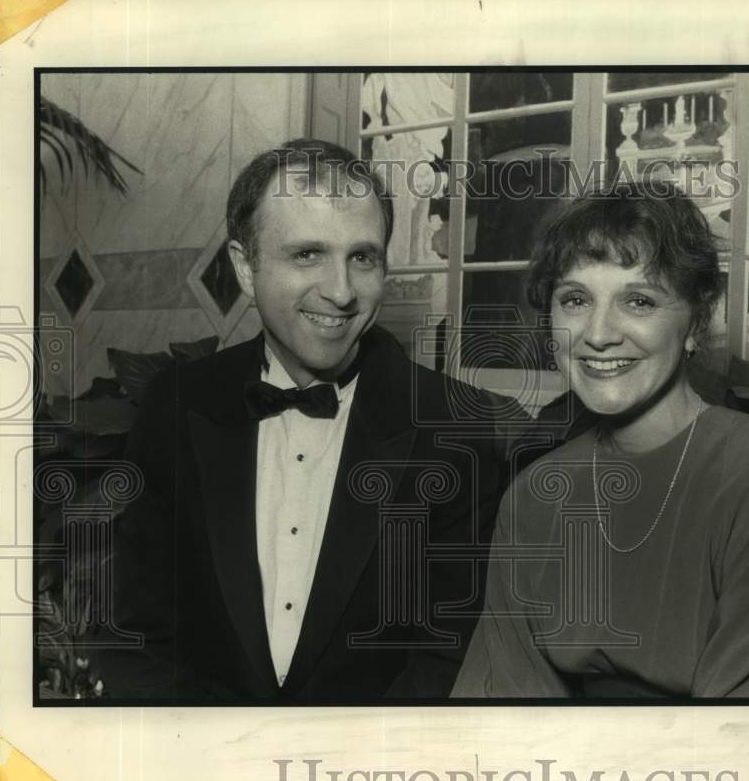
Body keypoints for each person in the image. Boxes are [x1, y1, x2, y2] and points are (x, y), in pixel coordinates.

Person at [101, 139, 508, 702]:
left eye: (362, 257)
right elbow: (139, 632)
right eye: (307, 254)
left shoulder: (455, 427)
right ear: (246, 267)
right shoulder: (176, 402)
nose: (341, 292)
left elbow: (448, 657)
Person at [453, 185, 749, 698]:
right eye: (575, 299)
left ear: (696, 321)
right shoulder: (532, 496)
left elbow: (742, 742)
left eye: (638, 300)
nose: (598, 334)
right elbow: (500, 707)